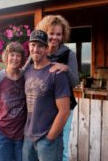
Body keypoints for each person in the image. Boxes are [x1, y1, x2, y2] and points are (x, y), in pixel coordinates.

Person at [33, 15, 79, 161]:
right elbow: (24, 72)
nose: (55, 37)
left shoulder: (68, 54)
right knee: (41, 143)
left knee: (62, 145)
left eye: (58, 34)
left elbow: (75, 82)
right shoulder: (38, 51)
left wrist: (66, 68)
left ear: (63, 35)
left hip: (64, 108)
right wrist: (1, 72)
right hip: (43, 107)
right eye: (51, 33)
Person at [22, 30, 71, 161]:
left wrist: (50, 137)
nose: (35, 49)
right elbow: (11, 73)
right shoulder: (27, 71)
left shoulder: (57, 73)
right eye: (33, 45)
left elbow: (65, 111)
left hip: (47, 140)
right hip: (28, 137)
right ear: (29, 46)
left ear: (46, 48)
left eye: (40, 46)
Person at [0, 42, 27, 161]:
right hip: (2, 132)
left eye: (18, 55)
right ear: (6, 57)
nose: (15, 58)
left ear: (22, 58)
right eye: (12, 55)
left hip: (21, 133)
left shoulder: (25, 76)